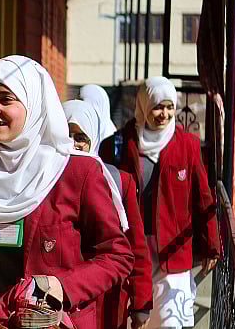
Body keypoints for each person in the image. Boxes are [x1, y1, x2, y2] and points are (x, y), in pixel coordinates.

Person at [0, 55, 134, 329]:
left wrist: (62, 286)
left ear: (34, 104)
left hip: (47, 322)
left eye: (5, 99)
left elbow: (118, 256)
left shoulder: (75, 171)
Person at [99, 76, 220, 328]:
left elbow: (202, 196)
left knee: (169, 322)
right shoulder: (122, 144)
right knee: (136, 317)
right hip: (134, 244)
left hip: (173, 249)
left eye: (169, 107)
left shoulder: (187, 145)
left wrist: (212, 244)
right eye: (157, 106)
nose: (164, 114)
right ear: (144, 105)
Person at [62, 100, 152, 329]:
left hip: (108, 301)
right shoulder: (43, 183)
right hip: (63, 298)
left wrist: (141, 303)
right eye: (67, 135)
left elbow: (136, 246)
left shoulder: (118, 182)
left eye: (81, 137)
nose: (74, 144)